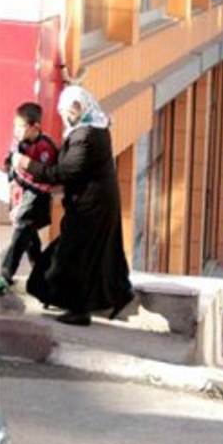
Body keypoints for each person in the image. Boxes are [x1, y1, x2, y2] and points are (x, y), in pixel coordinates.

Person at [14, 86, 134, 325]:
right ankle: (121, 293)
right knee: (104, 253)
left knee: (72, 257)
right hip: (96, 204)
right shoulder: (93, 127)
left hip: (91, 207)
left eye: (70, 110)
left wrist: (28, 164)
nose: (67, 115)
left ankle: (79, 310)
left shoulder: (86, 136)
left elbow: (64, 172)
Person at [0, 103, 58, 294]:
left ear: (35, 127)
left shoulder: (45, 146)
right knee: (30, 240)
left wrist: (24, 163)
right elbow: (9, 164)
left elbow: (46, 175)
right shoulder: (18, 143)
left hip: (36, 196)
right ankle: (44, 278)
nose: (17, 131)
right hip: (20, 195)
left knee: (21, 233)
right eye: (15, 126)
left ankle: (4, 275)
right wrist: (9, 162)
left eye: (21, 127)